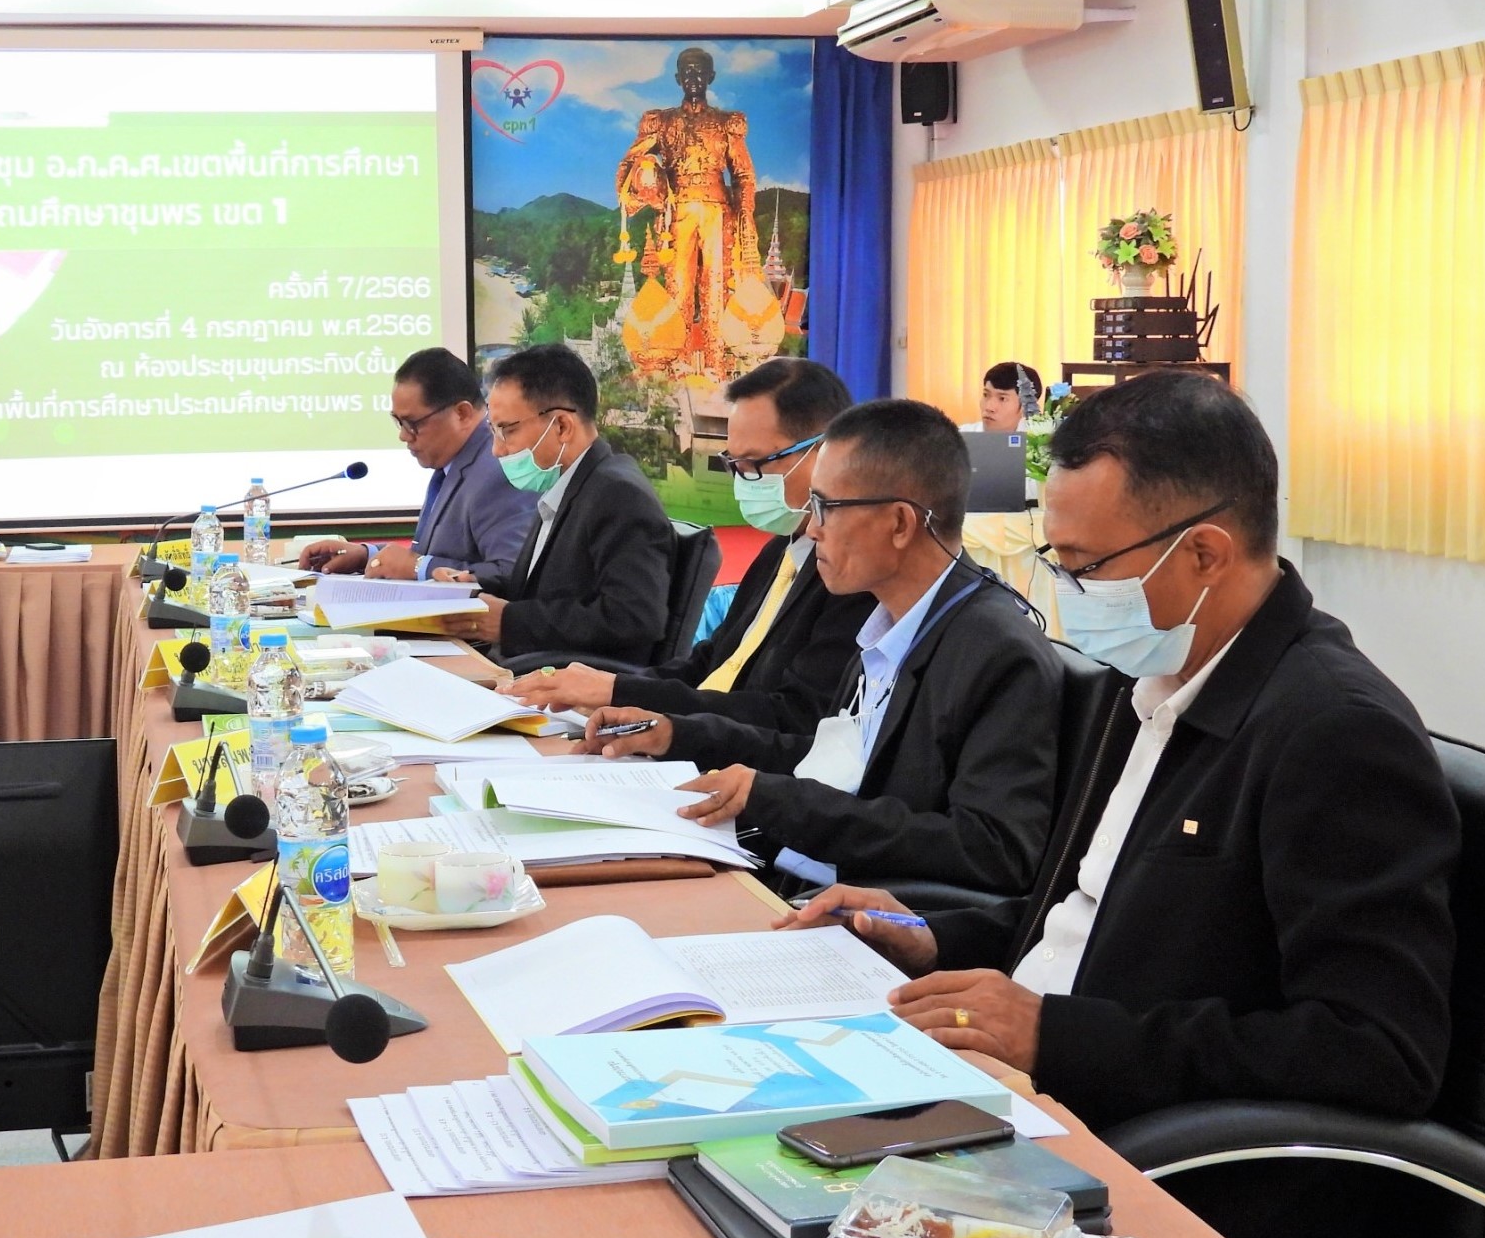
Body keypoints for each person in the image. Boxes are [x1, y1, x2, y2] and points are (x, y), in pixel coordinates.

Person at [781, 371, 1458, 1238]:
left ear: (1205, 553)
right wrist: (932, 933)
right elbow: (1094, 917)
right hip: (1031, 1093)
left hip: (1151, 1161)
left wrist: (1055, 1034)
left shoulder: (1335, 732)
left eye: (1086, 567)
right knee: (765, 1161)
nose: (1067, 597)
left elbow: (1376, 1047)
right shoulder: (1146, 682)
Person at [576, 398, 1064, 902]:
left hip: (862, 915)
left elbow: (992, 849)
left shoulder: (996, 653)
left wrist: (782, 802)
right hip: (795, 878)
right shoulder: (889, 620)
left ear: (900, 523)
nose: (812, 528)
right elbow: (827, 758)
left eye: (826, 507)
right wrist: (678, 733)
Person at [503, 358, 875, 733]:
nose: (744, 481)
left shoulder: (853, 577)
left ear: (825, 453)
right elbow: (711, 662)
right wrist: (615, 690)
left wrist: (633, 703)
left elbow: (792, 717)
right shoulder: (779, 551)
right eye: (735, 464)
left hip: (729, 754)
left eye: (757, 463)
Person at [438, 343, 674, 666]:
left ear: (562, 426)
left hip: (565, 683)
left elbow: (633, 616)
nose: (497, 450)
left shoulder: (619, 495)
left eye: (508, 431)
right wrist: (476, 587)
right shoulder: (567, 485)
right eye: (493, 431)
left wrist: (509, 621)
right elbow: (554, 588)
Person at [297, 348, 537, 586]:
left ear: (462, 413)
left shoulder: (497, 470)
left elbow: (512, 573)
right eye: (398, 421)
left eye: (412, 423)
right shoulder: (454, 463)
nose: (403, 435)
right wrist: (367, 556)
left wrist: (419, 567)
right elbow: (433, 553)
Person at [616, 47, 760, 380]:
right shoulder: (662, 122)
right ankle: (677, 362)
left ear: (710, 77)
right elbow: (630, 161)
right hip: (676, 210)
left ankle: (716, 364)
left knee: (716, 285)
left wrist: (745, 216)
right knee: (678, 286)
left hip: (716, 210)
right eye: (687, 72)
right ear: (678, 79)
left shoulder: (726, 123)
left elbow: (743, 174)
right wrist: (646, 182)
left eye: (699, 72)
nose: (693, 78)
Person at [959, 360, 1044, 433]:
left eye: (1002, 399)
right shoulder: (960, 437)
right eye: (986, 395)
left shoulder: (1039, 441)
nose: (989, 407)